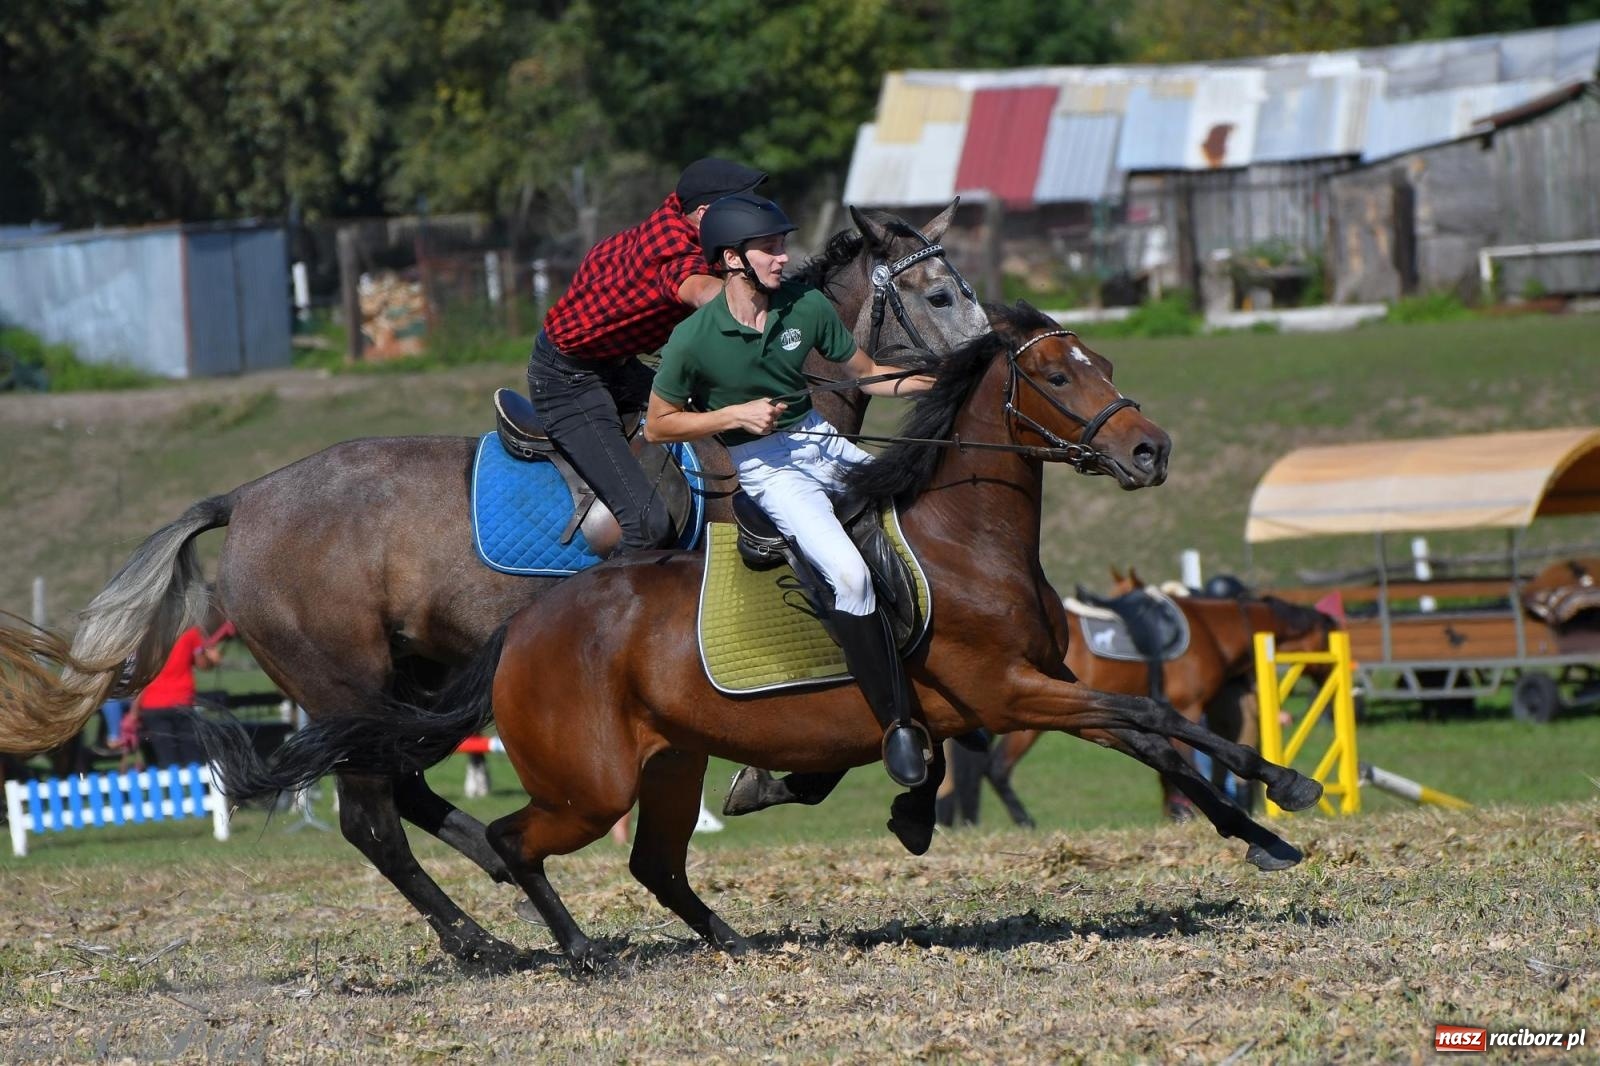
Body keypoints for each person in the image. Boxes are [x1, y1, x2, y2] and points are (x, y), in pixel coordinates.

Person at [644, 193, 935, 787]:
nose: (783, 257)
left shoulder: (804, 306)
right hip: (765, 466)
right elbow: (659, 423)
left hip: (819, 441)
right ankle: (896, 724)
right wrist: (737, 417)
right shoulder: (695, 339)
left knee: (920, 515)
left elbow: (868, 377)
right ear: (732, 260)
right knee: (849, 577)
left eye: (782, 245)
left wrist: (942, 384)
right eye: (769, 248)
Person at [528, 157, 769, 555]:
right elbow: (700, 291)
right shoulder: (673, 249)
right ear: (706, 214)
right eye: (742, 207)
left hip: (616, 366)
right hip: (566, 380)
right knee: (647, 525)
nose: (752, 216)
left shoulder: (686, 213)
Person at [130, 622, 232, 767]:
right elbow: (203, 665)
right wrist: (213, 657)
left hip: (153, 703)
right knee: (192, 754)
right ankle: (198, 788)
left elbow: (142, 676)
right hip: (182, 701)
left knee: (166, 757)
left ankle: (174, 788)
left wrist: (134, 712)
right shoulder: (190, 632)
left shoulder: (147, 633)